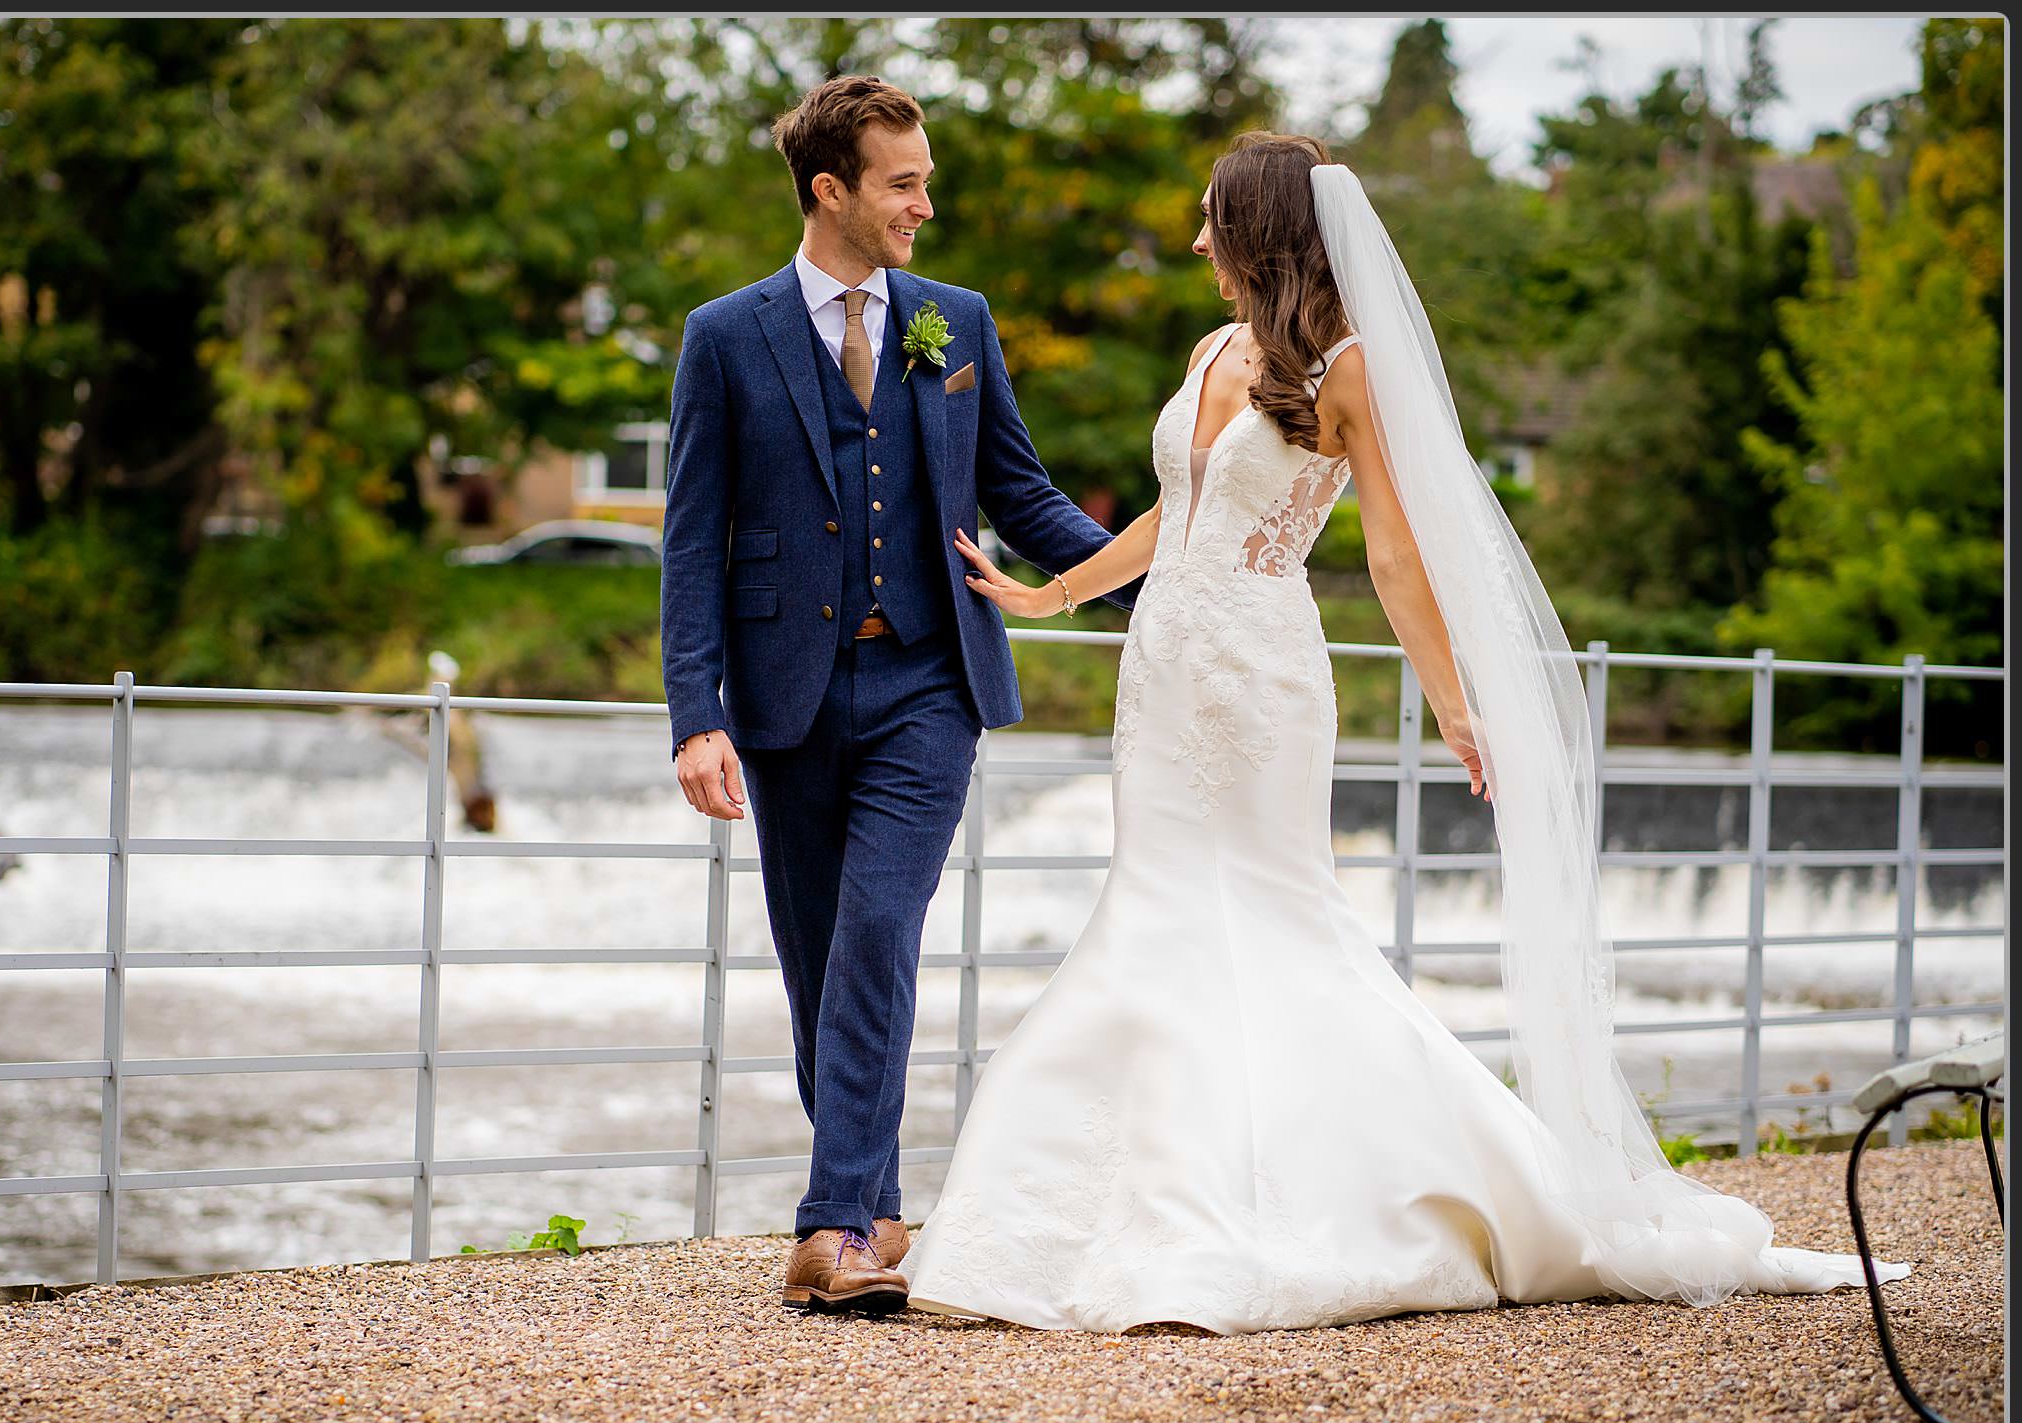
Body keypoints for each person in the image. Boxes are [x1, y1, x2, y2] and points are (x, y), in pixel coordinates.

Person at [900, 131, 1911, 1333]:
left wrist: (1450, 697)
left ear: (1262, 228)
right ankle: (1133, 1208)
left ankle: (1341, 1197)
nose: (1195, 242)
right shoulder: (1210, 347)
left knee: (1284, 924)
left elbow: (1391, 553)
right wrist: (1052, 592)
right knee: (1153, 909)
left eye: (1212, 220)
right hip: (1161, 676)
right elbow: (1179, 515)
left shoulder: (1349, 367)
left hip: (1262, 681)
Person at [659, 75, 1143, 1316]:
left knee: (878, 929)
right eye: (904, 183)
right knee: (819, 956)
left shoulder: (956, 322)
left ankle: (830, 1230)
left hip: (933, 678)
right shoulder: (726, 335)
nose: (927, 203)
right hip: (783, 695)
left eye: (925, 178)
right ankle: (872, 1204)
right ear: (831, 190)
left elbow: (1022, 494)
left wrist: (1156, 582)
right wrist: (694, 713)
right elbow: (693, 538)